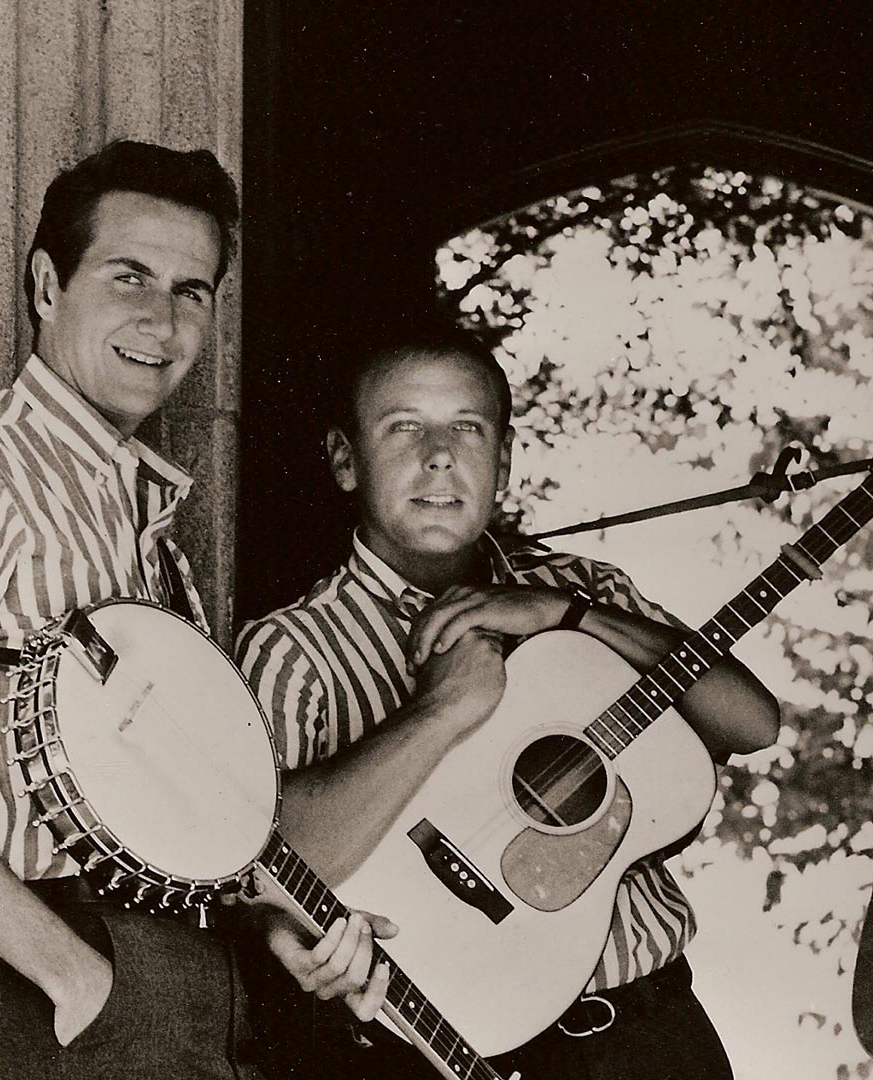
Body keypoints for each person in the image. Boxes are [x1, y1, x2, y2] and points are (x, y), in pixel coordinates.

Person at [0, 140, 388, 1080]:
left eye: (193, 291)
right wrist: (82, 985)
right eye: (129, 275)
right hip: (68, 976)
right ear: (48, 286)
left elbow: (175, 815)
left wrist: (269, 932)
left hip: (183, 975)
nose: (162, 319)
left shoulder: (143, 523)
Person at [236, 319, 783, 1079]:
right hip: (446, 1050)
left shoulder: (584, 588)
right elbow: (266, 862)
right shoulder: (291, 647)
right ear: (343, 460)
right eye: (403, 428)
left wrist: (563, 616)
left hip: (651, 1032)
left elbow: (753, 722)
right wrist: (444, 711)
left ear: (503, 463)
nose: (438, 456)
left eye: (467, 426)